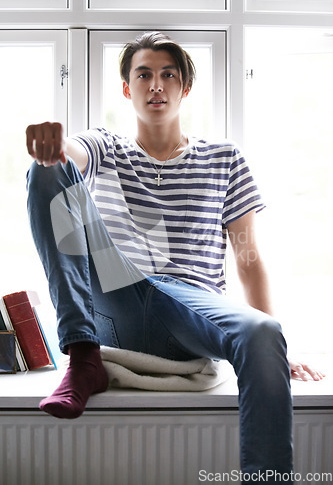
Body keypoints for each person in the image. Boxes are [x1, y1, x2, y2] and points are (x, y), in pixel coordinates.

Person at [26, 31, 323, 482]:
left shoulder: (225, 158)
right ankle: (82, 356)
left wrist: (277, 348)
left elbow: (247, 257)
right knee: (45, 169)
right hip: (116, 297)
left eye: (169, 75)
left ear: (185, 88)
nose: (156, 85)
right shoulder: (107, 146)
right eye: (143, 74)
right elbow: (73, 152)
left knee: (264, 331)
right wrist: (53, 145)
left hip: (189, 310)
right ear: (128, 89)